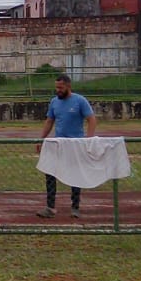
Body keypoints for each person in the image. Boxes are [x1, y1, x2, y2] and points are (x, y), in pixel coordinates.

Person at [36, 74, 97, 218]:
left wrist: (88, 140)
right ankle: (50, 207)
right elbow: (49, 122)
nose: (58, 90)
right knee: (49, 172)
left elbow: (92, 120)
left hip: (75, 145)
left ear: (68, 86)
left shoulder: (80, 101)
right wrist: (41, 139)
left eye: (60, 87)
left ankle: (75, 207)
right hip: (58, 145)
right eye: (56, 87)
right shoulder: (54, 102)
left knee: (75, 176)